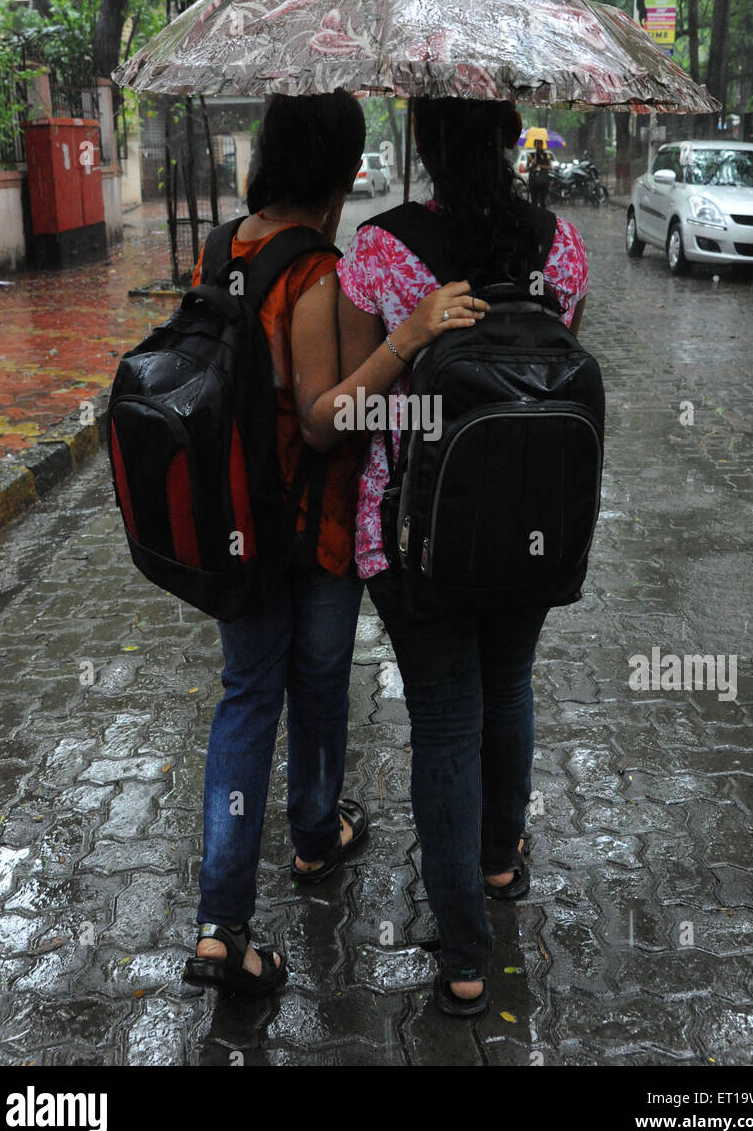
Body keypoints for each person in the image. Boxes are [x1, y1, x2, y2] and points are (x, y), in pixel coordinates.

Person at [183, 91, 485, 995]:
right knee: (315, 684)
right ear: (343, 170)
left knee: (245, 698)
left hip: (234, 523)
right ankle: (315, 834)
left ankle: (220, 924)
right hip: (309, 529)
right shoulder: (317, 272)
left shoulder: (223, 244)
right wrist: (410, 335)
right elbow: (326, 419)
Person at [336, 97, 588, 1015]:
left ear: (424, 145)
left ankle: (468, 962)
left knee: (447, 723)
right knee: (509, 686)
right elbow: (554, 376)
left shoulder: (380, 250)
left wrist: (414, 353)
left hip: (418, 536)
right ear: (504, 137)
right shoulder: (558, 246)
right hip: (531, 522)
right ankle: (499, 867)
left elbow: (359, 414)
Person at [527, 137, 553, 210]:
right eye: (537, 144)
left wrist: (541, 166)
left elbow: (550, 167)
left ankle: (543, 217)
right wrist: (532, 165)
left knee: (542, 201)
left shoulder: (546, 155)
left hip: (543, 181)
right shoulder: (531, 155)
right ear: (534, 145)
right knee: (534, 202)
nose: (539, 146)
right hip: (533, 181)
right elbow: (526, 169)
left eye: (540, 144)